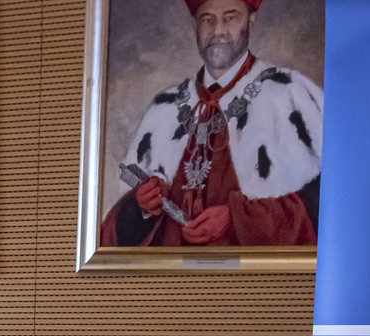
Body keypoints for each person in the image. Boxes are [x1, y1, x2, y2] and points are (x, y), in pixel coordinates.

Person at [100, 0, 322, 247]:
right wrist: (141, 205)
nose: (218, 31)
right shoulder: (165, 108)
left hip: (250, 271)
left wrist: (238, 218)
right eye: (207, 20)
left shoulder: (288, 95)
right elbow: (113, 240)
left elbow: (327, 206)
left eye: (230, 18)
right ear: (194, 25)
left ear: (251, 21)